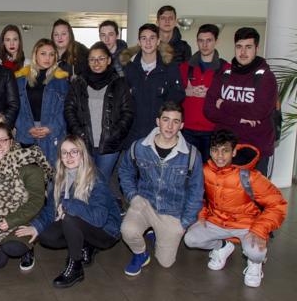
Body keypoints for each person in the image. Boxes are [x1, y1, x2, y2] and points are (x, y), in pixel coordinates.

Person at [183, 130, 287, 288]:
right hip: (217, 222)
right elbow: (199, 198)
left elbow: (277, 204)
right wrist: (202, 214)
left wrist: (260, 230)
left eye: (225, 150)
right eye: (215, 150)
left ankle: (254, 265)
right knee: (190, 239)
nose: (219, 156)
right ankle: (223, 246)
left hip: (246, 225)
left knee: (256, 252)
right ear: (210, 151)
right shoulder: (204, 171)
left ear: (234, 151)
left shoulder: (249, 176)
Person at [16, 136, 121, 288]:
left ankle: (75, 266)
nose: (69, 157)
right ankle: (86, 245)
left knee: (70, 218)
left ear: (83, 155)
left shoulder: (95, 179)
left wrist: (68, 204)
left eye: (74, 152)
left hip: (107, 232)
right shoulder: (61, 177)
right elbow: (51, 209)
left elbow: (99, 218)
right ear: (60, 157)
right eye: (64, 153)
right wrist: (36, 226)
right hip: (85, 225)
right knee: (46, 236)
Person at [119, 101, 203, 276]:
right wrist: (133, 196)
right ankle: (140, 254)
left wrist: (185, 223)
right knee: (127, 231)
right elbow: (125, 170)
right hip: (144, 204)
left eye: (175, 121)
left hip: (172, 211)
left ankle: (158, 232)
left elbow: (196, 191)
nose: (170, 126)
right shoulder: (139, 147)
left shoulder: (192, 154)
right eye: (166, 120)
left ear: (182, 125)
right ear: (158, 121)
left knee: (165, 263)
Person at [0, 119, 50, 271]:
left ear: (11, 142)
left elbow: (36, 201)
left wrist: (10, 220)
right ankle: (1, 243)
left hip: (22, 219)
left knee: (13, 248)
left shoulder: (29, 167)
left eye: (3, 140)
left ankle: (27, 248)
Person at [203, 27, 278, 177]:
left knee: (255, 198)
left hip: (256, 151)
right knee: (224, 197)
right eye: (239, 47)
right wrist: (240, 118)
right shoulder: (224, 75)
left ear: (256, 48)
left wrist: (223, 104)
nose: (243, 52)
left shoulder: (266, 78)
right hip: (224, 151)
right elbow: (209, 110)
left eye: (248, 47)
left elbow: (258, 112)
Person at [65, 42, 133, 183]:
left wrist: (113, 135)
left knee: (102, 183)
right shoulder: (79, 82)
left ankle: (101, 206)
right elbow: (69, 110)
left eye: (101, 58)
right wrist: (80, 134)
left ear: (108, 60)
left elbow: (127, 113)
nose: (96, 63)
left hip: (109, 146)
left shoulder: (120, 83)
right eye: (92, 59)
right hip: (83, 143)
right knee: (83, 182)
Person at [121, 23, 184, 148]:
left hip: (160, 134)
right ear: (139, 42)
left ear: (158, 41)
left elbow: (177, 98)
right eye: (144, 38)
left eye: (152, 38)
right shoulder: (130, 68)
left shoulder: (170, 67)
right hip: (133, 133)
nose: (148, 42)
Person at [179, 24, 230, 162]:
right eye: (201, 40)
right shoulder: (184, 67)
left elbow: (232, 99)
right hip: (188, 130)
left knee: (211, 173)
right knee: (188, 171)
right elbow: (173, 94)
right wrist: (186, 92)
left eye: (209, 40)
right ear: (197, 42)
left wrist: (212, 94)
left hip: (213, 131)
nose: (205, 45)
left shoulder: (226, 69)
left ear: (216, 41)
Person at [15, 38, 69, 166]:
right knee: (29, 179)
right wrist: (27, 127)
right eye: (43, 53)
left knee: (52, 179)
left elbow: (66, 110)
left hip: (52, 135)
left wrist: (51, 127)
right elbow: (15, 108)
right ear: (35, 55)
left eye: (51, 54)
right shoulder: (21, 79)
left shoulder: (61, 80)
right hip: (26, 134)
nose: (48, 58)